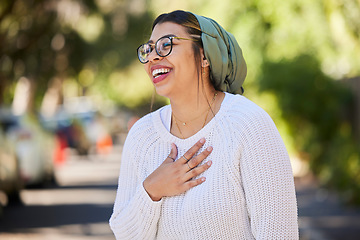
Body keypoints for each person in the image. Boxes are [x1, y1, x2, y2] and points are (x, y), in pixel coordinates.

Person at [109, 10, 298, 239]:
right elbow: (124, 234)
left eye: (166, 45)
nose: (152, 57)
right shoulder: (142, 135)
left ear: (205, 55)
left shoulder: (248, 125)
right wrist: (152, 190)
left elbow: (278, 233)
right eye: (149, 49)